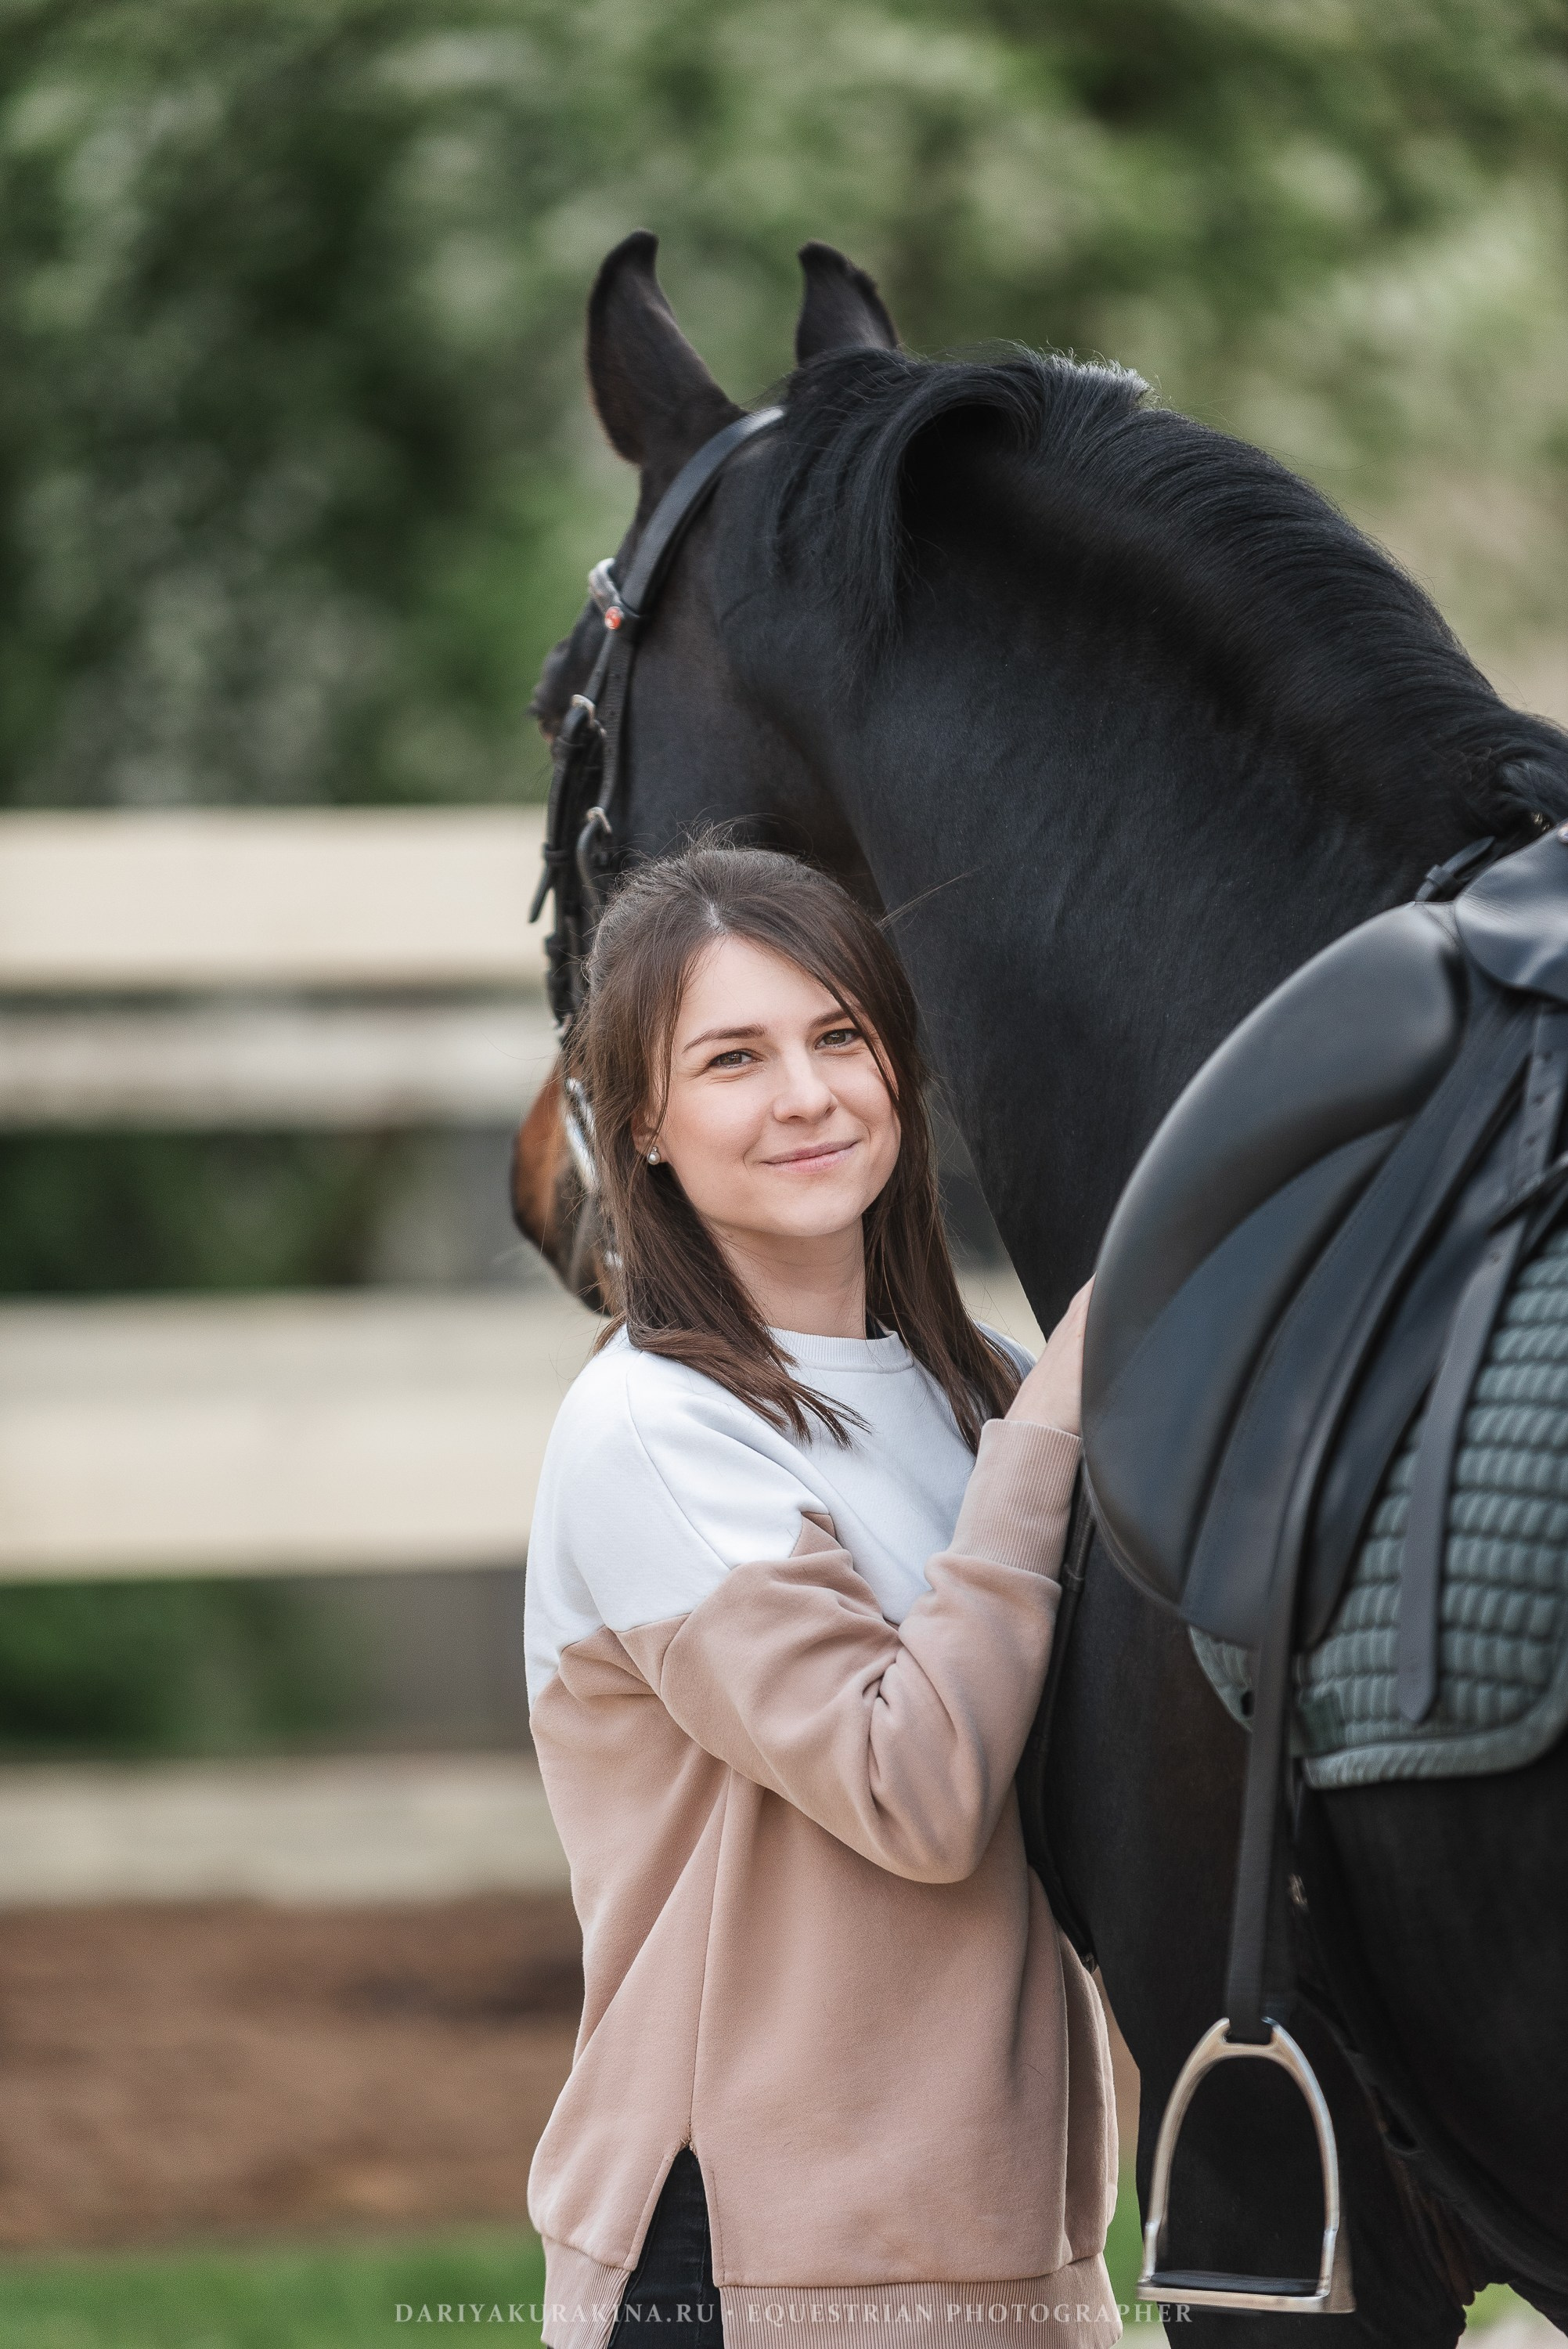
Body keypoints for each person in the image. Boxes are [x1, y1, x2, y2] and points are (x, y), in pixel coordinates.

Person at [523, 840, 1119, 2349]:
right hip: (754, 2262)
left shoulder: (971, 1389)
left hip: (1012, 2242)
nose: (806, 1094)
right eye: (734, 1058)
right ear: (640, 1124)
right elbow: (910, 1785)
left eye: (839, 1035)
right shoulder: (657, 1429)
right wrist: (1050, 1436)